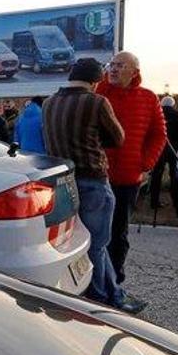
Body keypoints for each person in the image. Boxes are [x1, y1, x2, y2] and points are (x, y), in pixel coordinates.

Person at [43, 58, 145, 314]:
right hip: (93, 182)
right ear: (95, 80)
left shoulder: (49, 103)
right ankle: (101, 298)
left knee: (74, 243)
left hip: (64, 182)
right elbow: (118, 138)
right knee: (97, 245)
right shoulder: (96, 101)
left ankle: (112, 293)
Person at [96, 52, 167, 283]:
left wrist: (146, 165)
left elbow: (159, 135)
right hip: (97, 175)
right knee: (93, 231)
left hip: (128, 178)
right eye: (112, 65)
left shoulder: (148, 98)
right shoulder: (99, 93)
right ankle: (93, 279)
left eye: (120, 66)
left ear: (134, 71)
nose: (113, 70)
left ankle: (115, 281)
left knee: (118, 232)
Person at [150, 96, 178, 208]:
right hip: (174, 151)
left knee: (156, 176)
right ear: (173, 105)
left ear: (161, 104)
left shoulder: (156, 114)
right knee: (174, 176)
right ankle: (176, 202)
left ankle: (154, 202)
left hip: (159, 150)